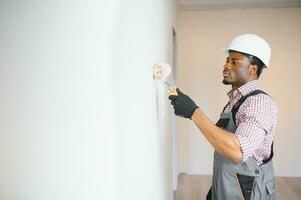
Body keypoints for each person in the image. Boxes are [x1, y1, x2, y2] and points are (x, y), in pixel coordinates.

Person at [169, 34, 277, 200]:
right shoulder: (236, 100)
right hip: (232, 187)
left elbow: (237, 151)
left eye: (234, 61)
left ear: (252, 68)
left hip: (248, 193)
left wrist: (194, 112)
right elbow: (224, 142)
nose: (226, 65)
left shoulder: (258, 103)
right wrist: (218, 187)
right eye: (227, 60)